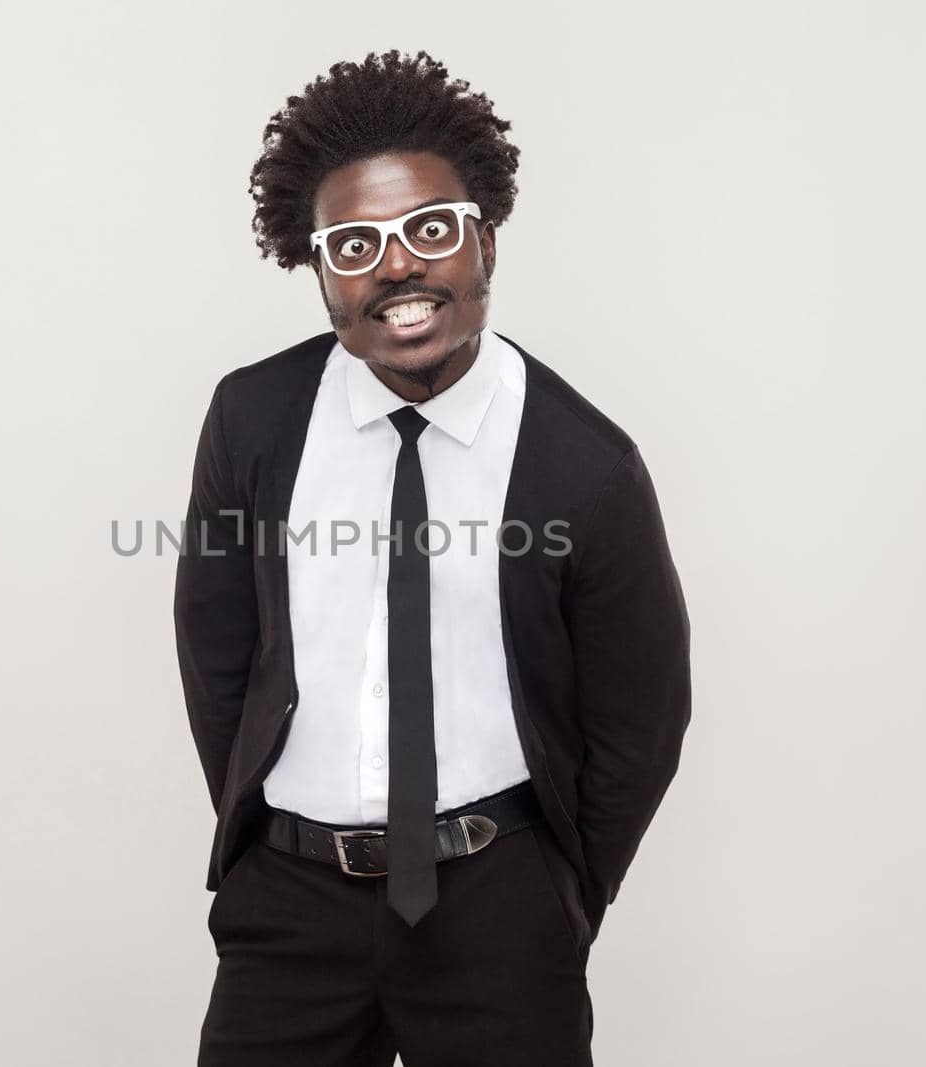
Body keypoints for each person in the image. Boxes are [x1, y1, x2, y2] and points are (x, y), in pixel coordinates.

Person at [173, 49, 692, 1067]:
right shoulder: (255, 419)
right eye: (355, 243)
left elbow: (639, 719)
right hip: (289, 907)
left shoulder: (585, 464)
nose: (398, 266)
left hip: (496, 909)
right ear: (319, 269)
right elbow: (216, 656)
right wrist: (258, 856)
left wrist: (558, 895)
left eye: (429, 230)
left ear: (483, 242)